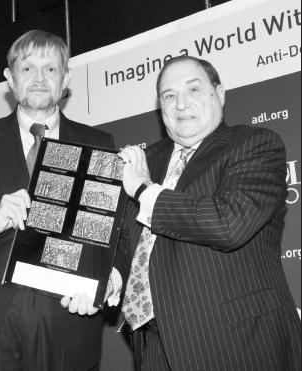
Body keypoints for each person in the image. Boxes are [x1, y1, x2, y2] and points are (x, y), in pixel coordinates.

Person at [0, 30, 115, 371]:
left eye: (51, 69)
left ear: (65, 79)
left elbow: (109, 231)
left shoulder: (98, 142)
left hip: (68, 315)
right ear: (10, 79)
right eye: (27, 69)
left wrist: (100, 282)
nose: (39, 78)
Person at [115, 55, 301, 370]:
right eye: (169, 96)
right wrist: (114, 274)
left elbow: (229, 224)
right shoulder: (144, 160)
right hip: (151, 348)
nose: (181, 104)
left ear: (220, 94)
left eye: (193, 90)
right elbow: (124, 238)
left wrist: (145, 190)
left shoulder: (255, 144)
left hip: (236, 344)